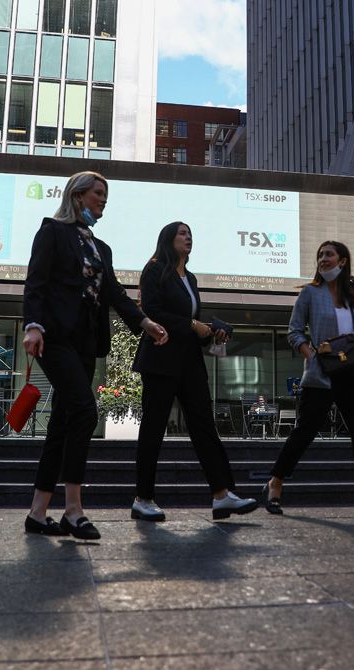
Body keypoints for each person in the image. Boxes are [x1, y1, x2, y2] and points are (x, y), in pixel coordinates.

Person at [22, 171, 169, 539]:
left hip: (86, 343)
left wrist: (145, 322)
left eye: (106, 195)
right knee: (86, 410)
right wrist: (33, 325)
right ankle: (73, 510)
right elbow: (36, 281)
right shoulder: (52, 232)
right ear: (77, 195)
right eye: (98, 193)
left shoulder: (101, 248)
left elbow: (116, 295)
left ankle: (37, 514)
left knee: (62, 423)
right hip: (54, 337)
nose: (103, 200)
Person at [131, 222, 258, 522]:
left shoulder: (190, 278)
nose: (188, 238)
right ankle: (143, 498)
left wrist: (210, 333)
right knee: (153, 429)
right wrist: (190, 325)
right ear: (168, 239)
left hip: (189, 362)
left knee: (204, 426)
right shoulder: (154, 270)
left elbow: (191, 323)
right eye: (182, 233)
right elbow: (152, 312)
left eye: (190, 234)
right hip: (160, 361)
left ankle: (222, 495)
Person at [263, 241, 354, 519]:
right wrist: (309, 353)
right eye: (320, 255)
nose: (323, 259)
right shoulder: (310, 294)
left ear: (343, 261)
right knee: (305, 431)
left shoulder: (353, 299)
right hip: (322, 374)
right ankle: (275, 481)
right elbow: (294, 331)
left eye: (329, 254)